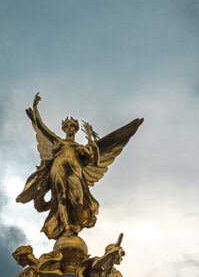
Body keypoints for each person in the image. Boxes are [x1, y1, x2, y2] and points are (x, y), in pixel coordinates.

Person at [18, 94, 142, 240]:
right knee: (62, 198)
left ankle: (74, 223)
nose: (70, 129)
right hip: (58, 169)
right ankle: (66, 227)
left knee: (78, 200)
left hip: (75, 172)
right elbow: (41, 127)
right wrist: (35, 108)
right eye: (67, 126)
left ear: (76, 129)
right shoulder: (58, 142)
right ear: (64, 129)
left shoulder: (80, 148)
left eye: (72, 127)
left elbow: (95, 161)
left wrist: (90, 138)